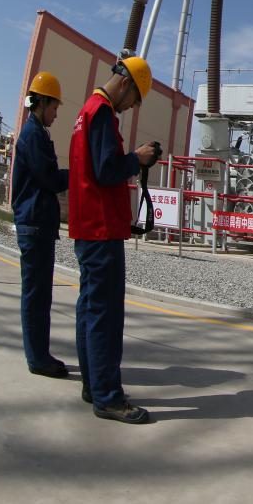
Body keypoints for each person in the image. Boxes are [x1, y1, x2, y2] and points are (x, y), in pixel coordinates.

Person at [68, 56, 158, 424]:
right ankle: (108, 397)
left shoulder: (86, 112)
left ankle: (93, 384)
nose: (133, 106)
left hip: (87, 227)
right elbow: (107, 170)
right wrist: (136, 158)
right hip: (102, 230)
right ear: (126, 83)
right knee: (105, 315)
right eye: (136, 98)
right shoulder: (103, 112)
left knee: (90, 308)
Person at [11, 71, 70, 378]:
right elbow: (49, 178)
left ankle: (40, 354)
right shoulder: (33, 135)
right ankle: (37, 359)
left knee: (40, 294)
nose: (56, 114)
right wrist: (79, 173)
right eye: (55, 107)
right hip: (34, 224)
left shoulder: (38, 132)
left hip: (38, 224)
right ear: (43, 102)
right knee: (36, 295)